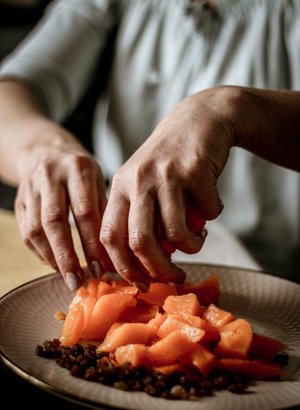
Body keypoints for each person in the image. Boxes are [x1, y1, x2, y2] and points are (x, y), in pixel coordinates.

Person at [0, 0, 299, 292]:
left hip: (278, 276)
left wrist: (230, 108)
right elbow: (13, 90)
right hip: (118, 262)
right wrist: (43, 149)